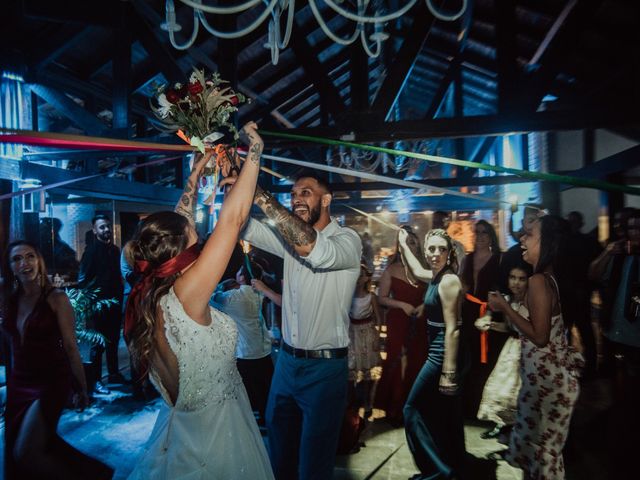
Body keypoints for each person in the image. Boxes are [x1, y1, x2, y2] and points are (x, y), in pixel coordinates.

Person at [125, 122, 273, 479]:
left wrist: (194, 176)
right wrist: (254, 149)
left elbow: (181, 219)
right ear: (181, 250)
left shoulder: (151, 295)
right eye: (193, 234)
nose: (198, 233)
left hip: (184, 431)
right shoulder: (188, 292)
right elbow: (233, 219)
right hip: (217, 437)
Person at [239, 171, 362, 480]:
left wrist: (261, 195)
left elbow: (313, 250)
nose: (296, 198)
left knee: (313, 464)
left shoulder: (347, 240)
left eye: (306, 192)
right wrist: (235, 178)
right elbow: (242, 225)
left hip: (324, 370)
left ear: (326, 199)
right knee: (278, 454)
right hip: (286, 363)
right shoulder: (288, 241)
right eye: (294, 193)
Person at [1, 241, 113, 479]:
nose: (24, 263)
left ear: (39, 261)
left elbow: (71, 347)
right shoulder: (9, 300)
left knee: (26, 452)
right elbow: (12, 346)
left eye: (30, 256)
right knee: (28, 446)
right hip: (19, 382)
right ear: (10, 266)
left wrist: (82, 387)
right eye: (17, 259)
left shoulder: (56, 298)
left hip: (49, 380)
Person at [488, 215, 583, 480]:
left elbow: (540, 337)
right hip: (544, 380)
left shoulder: (539, 281)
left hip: (547, 383)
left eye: (529, 234)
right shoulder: (547, 278)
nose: (522, 239)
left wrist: (504, 306)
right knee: (539, 456)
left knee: (543, 460)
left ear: (547, 242)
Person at [399, 228, 467, 479]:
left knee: (412, 409)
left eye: (442, 249)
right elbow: (417, 271)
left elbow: (453, 330)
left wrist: (448, 372)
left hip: (442, 354)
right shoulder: (437, 276)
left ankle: (437, 472)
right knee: (442, 414)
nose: (436, 254)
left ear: (449, 254)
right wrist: (404, 245)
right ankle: (450, 465)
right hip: (440, 352)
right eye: (431, 249)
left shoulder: (448, 280)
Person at [212, 260, 279, 427]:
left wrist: (221, 286)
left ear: (242, 277)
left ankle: (251, 423)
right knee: (266, 388)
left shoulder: (234, 297)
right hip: (263, 348)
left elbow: (212, 299)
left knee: (247, 391)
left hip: (246, 351)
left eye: (239, 272)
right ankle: (267, 418)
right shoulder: (260, 293)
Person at [374, 226, 428, 426]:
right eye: (407, 243)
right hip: (399, 319)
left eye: (414, 242)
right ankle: (395, 408)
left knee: (418, 360)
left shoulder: (425, 269)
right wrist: (401, 304)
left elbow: (435, 294)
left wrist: (424, 305)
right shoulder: (391, 269)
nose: (410, 246)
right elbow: (381, 298)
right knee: (397, 361)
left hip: (420, 319)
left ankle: (414, 408)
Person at [475, 262, 531, 440]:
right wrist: (489, 324)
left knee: (521, 392)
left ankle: (520, 432)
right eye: (513, 278)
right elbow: (508, 327)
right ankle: (502, 425)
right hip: (511, 347)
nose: (516, 283)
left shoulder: (532, 301)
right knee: (502, 389)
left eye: (521, 279)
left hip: (528, 349)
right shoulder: (509, 300)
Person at [460, 219, 504, 418]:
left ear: (491, 236)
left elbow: (503, 289)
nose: (480, 236)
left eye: (484, 232)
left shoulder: (499, 259)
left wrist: (491, 312)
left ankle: (484, 408)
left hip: (491, 314)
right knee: (468, 359)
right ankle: (469, 406)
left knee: (488, 360)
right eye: (477, 232)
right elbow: (461, 286)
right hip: (468, 313)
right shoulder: (467, 259)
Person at [78, 214, 124, 394]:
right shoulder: (90, 252)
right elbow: (82, 280)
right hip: (98, 307)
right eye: (102, 227)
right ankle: (96, 381)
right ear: (95, 230)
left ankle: (114, 374)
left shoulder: (114, 250)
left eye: (107, 226)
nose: (106, 230)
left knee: (113, 341)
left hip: (113, 304)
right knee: (97, 345)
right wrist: (89, 304)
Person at [348, 262, 382, 418]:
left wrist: (377, 337)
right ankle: (353, 400)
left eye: (361, 275)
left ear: (365, 278)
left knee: (367, 368)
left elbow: (379, 319)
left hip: (367, 332)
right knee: (352, 366)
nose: (358, 277)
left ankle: (368, 401)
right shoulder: (348, 296)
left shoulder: (371, 296)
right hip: (352, 333)